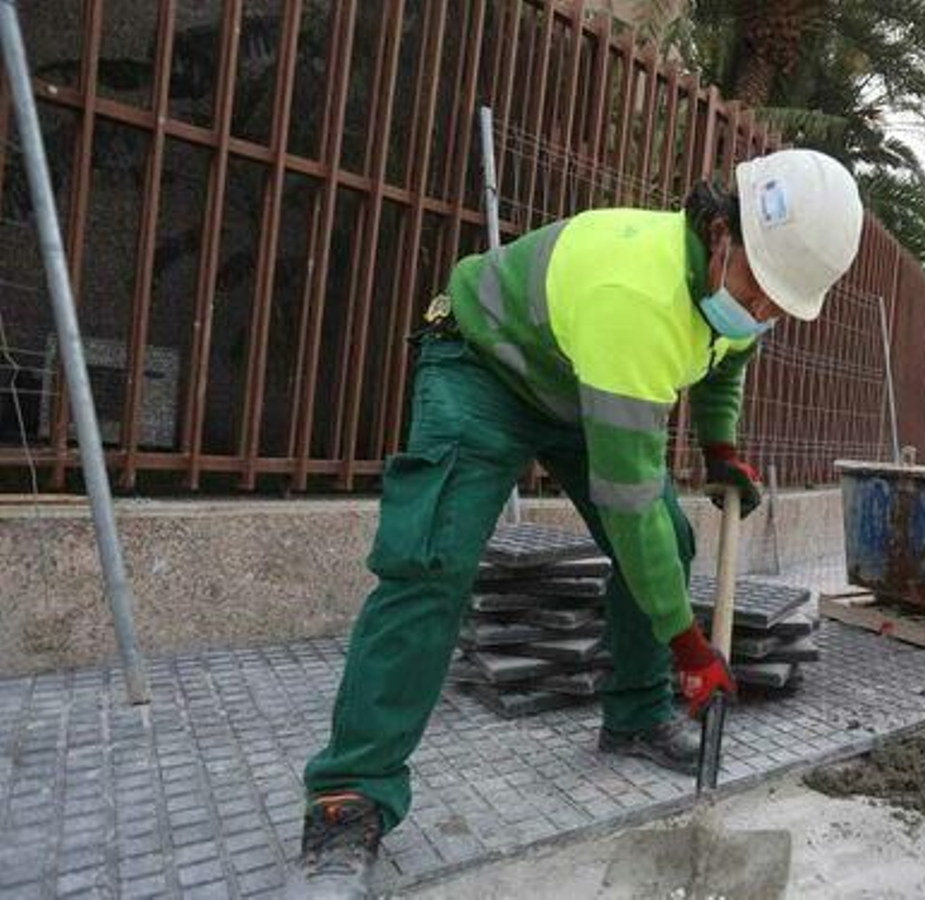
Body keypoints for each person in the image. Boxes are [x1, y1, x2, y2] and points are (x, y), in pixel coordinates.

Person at [291, 148, 864, 896]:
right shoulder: (639, 295)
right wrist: (690, 646)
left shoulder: (747, 288)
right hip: (484, 367)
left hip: (578, 383)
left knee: (674, 534)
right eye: (759, 289)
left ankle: (633, 715)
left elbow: (730, 356)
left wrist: (720, 445)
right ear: (720, 231)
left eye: (779, 305)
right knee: (432, 561)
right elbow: (627, 510)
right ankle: (350, 797)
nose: (762, 311)